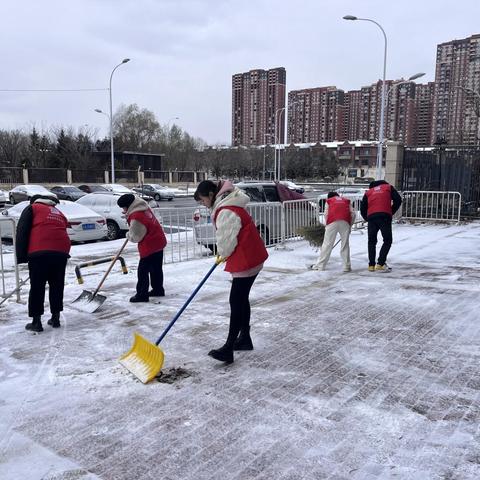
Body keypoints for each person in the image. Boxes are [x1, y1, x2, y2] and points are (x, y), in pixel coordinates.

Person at [194, 180, 268, 364]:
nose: (203, 204)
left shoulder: (226, 210)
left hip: (246, 259)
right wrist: (224, 253)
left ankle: (228, 348)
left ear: (211, 195)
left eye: (202, 200)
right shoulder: (229, 203)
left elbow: (227, 240)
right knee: (241, 299)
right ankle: (244, 338)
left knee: (236, 301)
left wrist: (223, 253)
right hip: (251, 254)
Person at [15, 195, 71, 332]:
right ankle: (55, 318)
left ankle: (36, 322)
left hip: (40, 251)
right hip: (61, 252)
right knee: (57, 284)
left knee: (37, 286)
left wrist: (21, 256)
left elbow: (22, 231)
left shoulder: (32, 208)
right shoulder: (58, 212)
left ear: (33, 202)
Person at [117, 193, 167, 302]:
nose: (124, 210)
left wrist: (128, 235)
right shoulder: (144, 207)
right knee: (156, 268)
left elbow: (136, 237)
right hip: (159, 241)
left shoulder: (136, 216)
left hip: (150, 245)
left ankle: (142, 295)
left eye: (124, 208)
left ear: (128, 206)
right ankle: (158, 289)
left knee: (143, 271)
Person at [360, 180, 402, 272]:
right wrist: (391, 211)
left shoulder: (369, 192)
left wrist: (367, 218)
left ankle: (371, 265)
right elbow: (398, 200)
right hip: (385, 216)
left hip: (372, 217)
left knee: (371, 241)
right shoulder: (388, 187)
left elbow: (362, 208)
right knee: (387, 240)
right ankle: (380, 263)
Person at [312, 192, 355, 272]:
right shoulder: (346, 200)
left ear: (329, 197)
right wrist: (350, 225)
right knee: (345, 244)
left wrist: (327, 225)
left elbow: (326, 214)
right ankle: (346, 266)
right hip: (345, 222)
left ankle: (321, 266)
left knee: (327, 244)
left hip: (332, 221)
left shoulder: (329, 201)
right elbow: (353, 214)